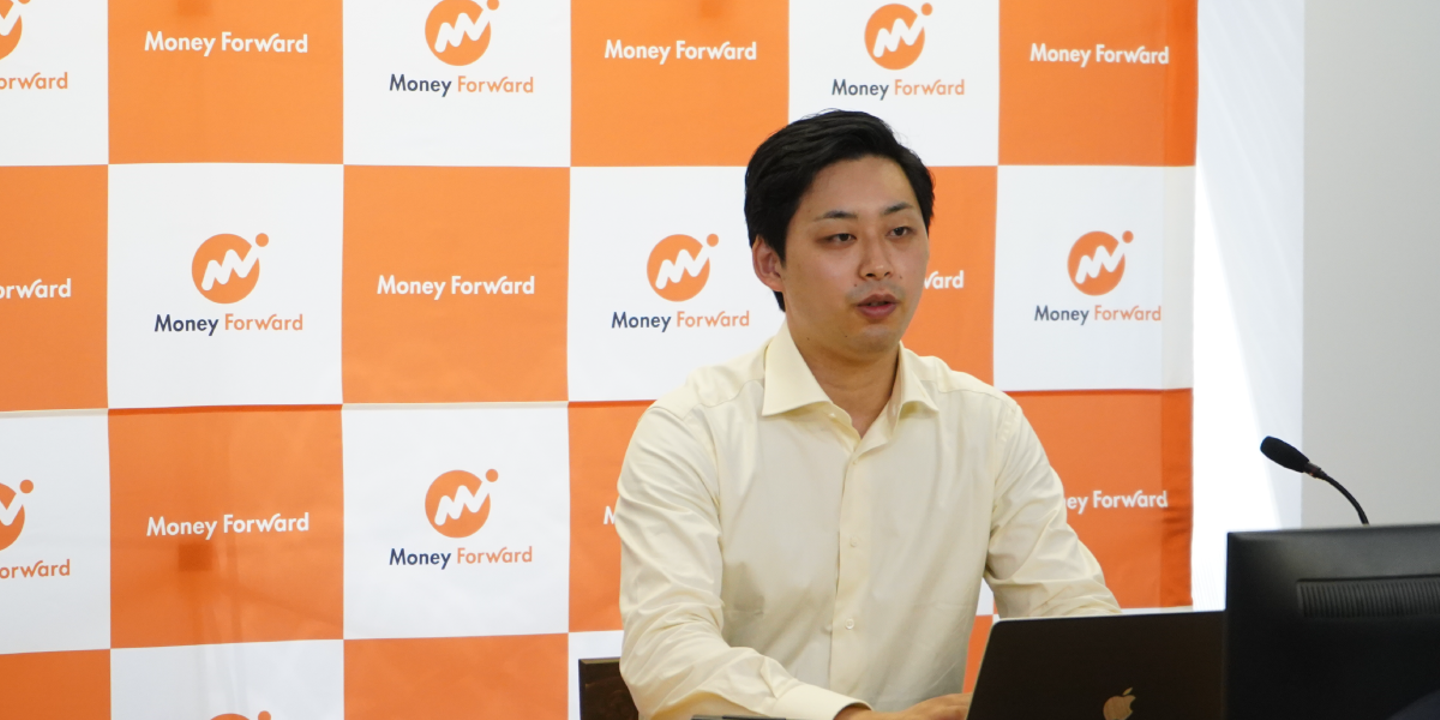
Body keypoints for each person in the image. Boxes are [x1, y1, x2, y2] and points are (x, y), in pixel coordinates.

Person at [614, 110, 1120, 720]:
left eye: (900, 232)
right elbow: (668, 652)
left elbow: (1072, 618)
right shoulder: (692, 432)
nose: (879, 264)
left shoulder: (987, 426)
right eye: (840, 238)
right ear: (770, 263)